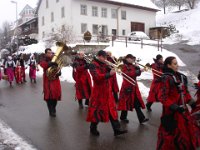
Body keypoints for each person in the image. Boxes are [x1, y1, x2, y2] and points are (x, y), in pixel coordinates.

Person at [156, 56, 200, 150]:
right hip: (172, 113)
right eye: (175, 64)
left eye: (177, 63)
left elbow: (185, 92)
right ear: (168, 65)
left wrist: (191, 102)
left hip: (183, 111)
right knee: (171, 136)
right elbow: (162, 97)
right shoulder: (166, 78)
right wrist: (174, 107)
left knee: (186, 134)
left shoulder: (180, 76)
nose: (177, 66)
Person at [86, 50, 127, 136]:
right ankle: (93, 128)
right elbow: (96, 77)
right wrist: (109, 74)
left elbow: (109, 71)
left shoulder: (104, 63)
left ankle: (117, 129)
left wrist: (112, 68)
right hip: (98, 92)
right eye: (104, 57)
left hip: (107, 91)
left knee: (112, 110)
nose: (105, 59)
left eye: (106, 57)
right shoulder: (93, 65)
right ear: (99, 56)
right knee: (97, 111)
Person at [118, 54, 149, 124]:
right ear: (127, 59)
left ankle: (141, 118)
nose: (133, 60)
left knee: (135, 102)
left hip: (133, 86)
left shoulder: (132, 65)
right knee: (126, 102)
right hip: (127, 86)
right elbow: (127, 74)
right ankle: (124, 117)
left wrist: (138, 68)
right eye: (131, 59)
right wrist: (138, 71)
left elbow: (137, 74)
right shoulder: (123, 66)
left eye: (133, 59)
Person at [40, 48, 62, 117]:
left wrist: (59, 73)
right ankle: (51, 110)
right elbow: (43, 64)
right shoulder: (43, 59)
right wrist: (50, 63)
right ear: (46, 53)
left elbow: (59, 68)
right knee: (49, 96)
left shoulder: (55, 58)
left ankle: (53, 108)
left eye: (51, 52)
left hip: (55, 79)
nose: (50, 54)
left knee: (55, 95)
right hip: (47, 79)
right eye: (49, 53)